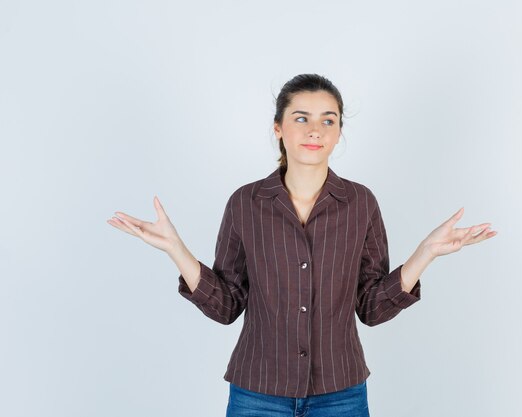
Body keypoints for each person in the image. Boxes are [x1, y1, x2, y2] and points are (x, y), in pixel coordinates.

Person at [107, 73, 497, 417]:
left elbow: (372, 308)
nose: (315, 130)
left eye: (329, 120)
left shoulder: (361, 204)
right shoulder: (245, 203)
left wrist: (425, 253)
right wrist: (177, 249)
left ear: (340, 131)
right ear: (278, 128)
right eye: (301, 118)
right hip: (257, 393)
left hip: (341, 395)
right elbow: (226, 306)